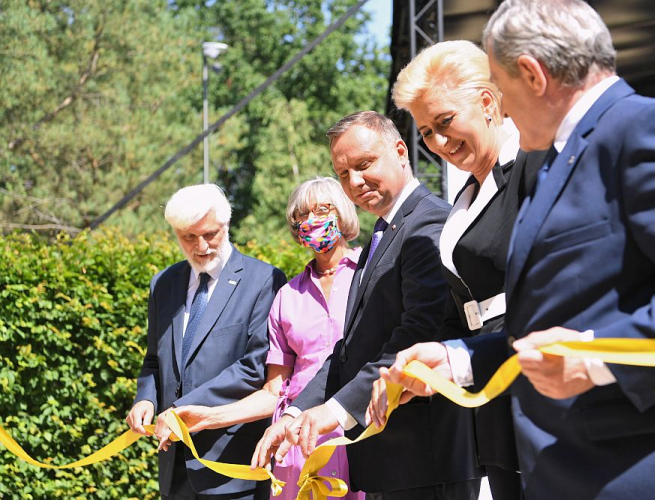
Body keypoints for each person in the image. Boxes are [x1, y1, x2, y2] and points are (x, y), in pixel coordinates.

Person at [379, 1, 655, 499]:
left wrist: (601, 359)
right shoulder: (565, 160)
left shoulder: (643, 128)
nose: (503, 108)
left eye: (502, 91)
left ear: (531, 75)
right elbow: (565, 323)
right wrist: (459, 358)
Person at [252, 111, 483, 500]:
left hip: (426, 460)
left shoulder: (429, 224)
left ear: (399, 151)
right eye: (343, 173)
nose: (354, 182)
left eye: (364, 165)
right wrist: (293, 414)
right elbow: (349, 350)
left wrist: (336, 411)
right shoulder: (383, 233)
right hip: (386, 464)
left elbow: (417, 334)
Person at [371, 39, 547, 500]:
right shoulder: (466, 198)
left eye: (445, 122)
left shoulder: (538, 168)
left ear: (488, 102)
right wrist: (429, 364)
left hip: (542, 393)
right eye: (427, 132)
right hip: (489, 402)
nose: (439, 143)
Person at [172, 178, 365, 500]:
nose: (311, 220)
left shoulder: (371, 274)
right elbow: (273, 391)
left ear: (343, 212)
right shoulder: (287, 295)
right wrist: (208, 417)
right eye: (302, 215)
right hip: (297, 442)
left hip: (359, 433)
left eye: (322, 210)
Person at [125, 184, 286, 500]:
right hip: (175, 471)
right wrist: (145, 399)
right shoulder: (164, 283)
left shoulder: (263, 280)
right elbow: (154, 360)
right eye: (188, 237)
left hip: (234, 466)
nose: (201, 246)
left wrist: (181, 409)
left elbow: (254, 366)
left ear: (226, 225)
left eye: (210, 234)